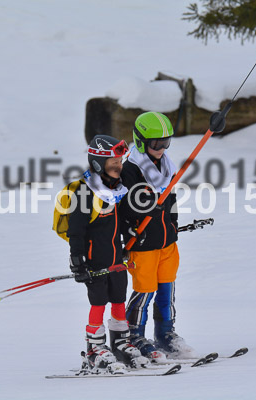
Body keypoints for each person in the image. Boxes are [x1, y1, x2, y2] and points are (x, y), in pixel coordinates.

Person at [66, 135, 148, 373]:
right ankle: (95, 349)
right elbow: (76, 230)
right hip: (94, 262)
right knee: (99, 302)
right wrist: (77, 261)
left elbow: (119, 220)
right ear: (99, 163)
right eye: (113, 162)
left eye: (120, 162)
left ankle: (121, 343)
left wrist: (130, 231)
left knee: (119, 299)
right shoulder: (84, 191)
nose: (118, 166)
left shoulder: (116, 190)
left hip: (115, 259)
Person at [120, 111, 196, 361]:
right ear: (141, 141)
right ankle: (135, 336)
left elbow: (171, 199)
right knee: (145, 289)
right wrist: (129, 230)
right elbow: (123, 205)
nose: (162, 148)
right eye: (156, 144)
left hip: (166, 241)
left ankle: (165, 334)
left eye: (166, 143)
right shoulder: (130, 169)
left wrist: (173, 224)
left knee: (166, 289)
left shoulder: (166, 166)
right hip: (143, 244)